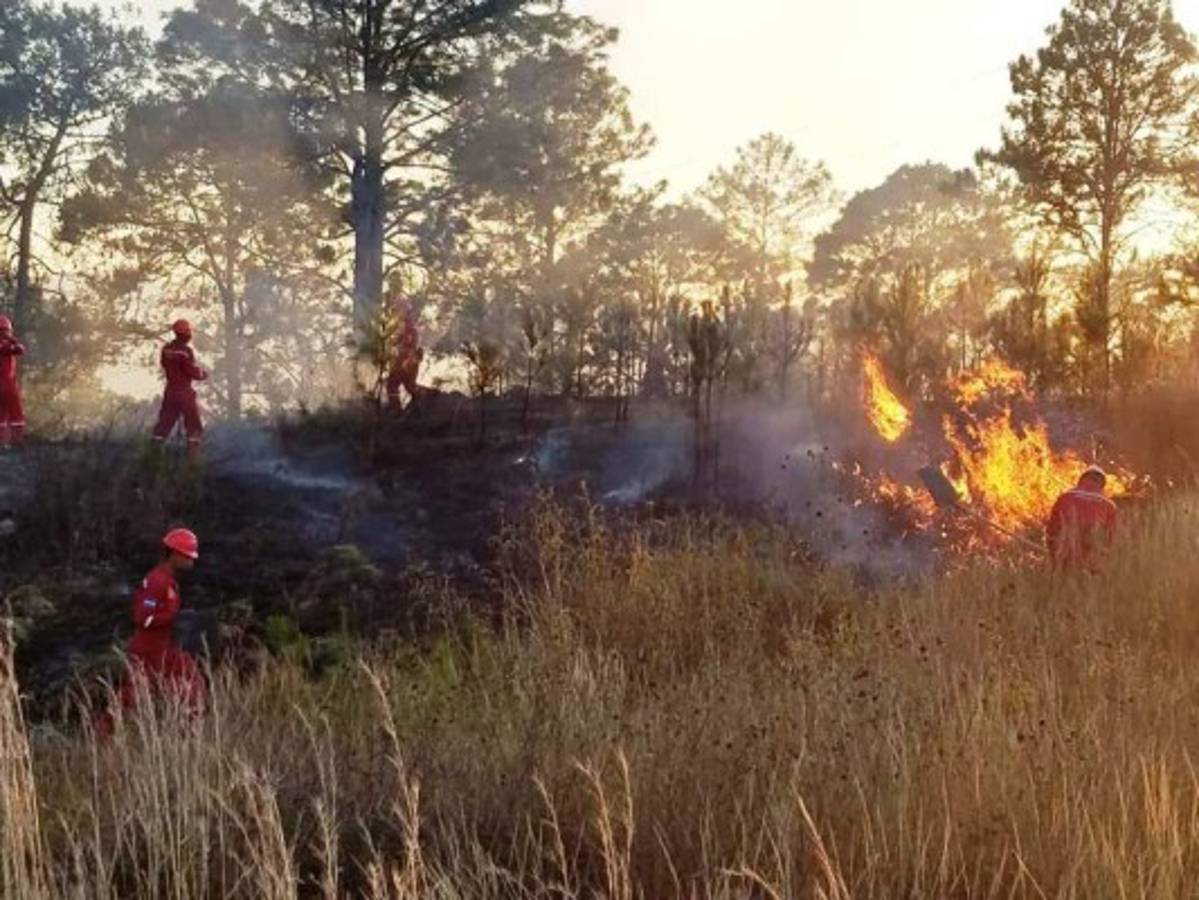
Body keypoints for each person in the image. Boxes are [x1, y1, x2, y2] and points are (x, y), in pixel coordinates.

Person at [95, 528, 206, 736]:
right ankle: (101, 734)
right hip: (148, 651)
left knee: (192, 683)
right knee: (133, 696)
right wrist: (174, 619)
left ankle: (189, 733)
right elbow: (142, 617)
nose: (191, 562)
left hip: (165, 648)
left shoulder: (169, 581)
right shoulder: (157, 582)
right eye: (188, 556)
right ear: (174, 554)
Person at [151, 319, 208, 459]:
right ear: (186, 333)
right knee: (193, 426)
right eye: (189, 331)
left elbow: (165, 365)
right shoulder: (185, 351)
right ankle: (193, 460)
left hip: (170, 391)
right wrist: (203, 374)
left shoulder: (166, 349)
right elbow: (190, 370)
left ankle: (152, 455)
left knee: (164, 424)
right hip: (184, 392)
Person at [1046, 465, 1117, 571]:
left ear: (1081, 480)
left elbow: (1052, 528)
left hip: (1065, 552)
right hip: (1092, 558)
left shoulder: (1065, 497)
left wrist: (1052, 551)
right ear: (1102, 484)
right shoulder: (1109, 504)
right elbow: (1110, 537)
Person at [385, 298, 423, 408]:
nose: (395, 312)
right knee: (408, 386)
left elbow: (408, 345)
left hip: (406, 361)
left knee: (393, 385)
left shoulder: (408, 326)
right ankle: (420, 404)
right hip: (405, 360)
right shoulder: (402, 324)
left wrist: (404, 359)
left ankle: (397, 411)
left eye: (397, 309)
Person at [0, 315, 26, 447]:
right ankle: (17, 441)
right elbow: (20, 349)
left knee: (1, 414)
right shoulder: (7, 345)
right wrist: (12, 340)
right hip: (7, 384)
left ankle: (2, 442)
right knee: (16, 412)